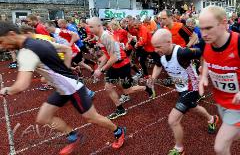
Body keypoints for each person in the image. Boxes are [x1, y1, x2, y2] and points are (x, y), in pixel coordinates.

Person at [0, 21, 126, 154]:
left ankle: (119, 131)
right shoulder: (39, 41)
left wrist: (5, 90)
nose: (1, 46)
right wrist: (62, 71)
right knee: (43, 117)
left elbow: (21, 86)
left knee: (92, 117)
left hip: (72, 88)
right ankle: (74, 136)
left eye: (2, 41)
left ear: (12, 34)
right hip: (62, 88)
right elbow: (66, 49)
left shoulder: (26, 53)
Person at [149, 29, 219, 155]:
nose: (156, 50)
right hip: (181, 88)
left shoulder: (182, 52)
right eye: (154, 47)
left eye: (158, 47)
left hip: (192, 88)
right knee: (194, 106)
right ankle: (211, 119)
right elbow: (158, 65)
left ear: (169, 42)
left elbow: (204, 53)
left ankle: (179, 149)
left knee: (173, 120)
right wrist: (153, 78)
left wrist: (203, 71)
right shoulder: (161, 55)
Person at [88, 17, 155, 120]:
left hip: (123, 65)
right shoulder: (99, 37)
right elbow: (107, 54)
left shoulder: (106, 37)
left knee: (128, 91)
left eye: (91, 26)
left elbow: (114, 57)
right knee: (108, 87)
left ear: (99, 26)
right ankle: (120, 109)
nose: (89, 28)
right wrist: (99, 67)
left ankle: (147, 88)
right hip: (114, 65)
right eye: (89, 26)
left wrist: (101, 70)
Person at [198, 6, 240, 155]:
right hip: (221, 103)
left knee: (220, 147)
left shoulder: (238, 42)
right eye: (201, 29)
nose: (203, 34)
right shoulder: (209, 44)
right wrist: (203, 76)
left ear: (223, 23)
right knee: (233, 138)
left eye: (208, 28)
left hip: (237, 106)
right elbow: (207, 60)